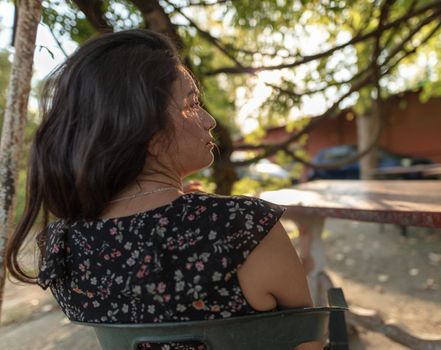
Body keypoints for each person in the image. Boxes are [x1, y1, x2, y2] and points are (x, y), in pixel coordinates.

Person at [5, 29, 322, 350]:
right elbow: (308, 342)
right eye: (192, 102)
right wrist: (201, 215)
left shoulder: (63, 246)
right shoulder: (241, 227)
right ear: (144, 125)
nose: (209, 120)